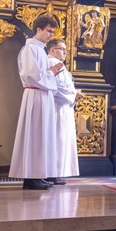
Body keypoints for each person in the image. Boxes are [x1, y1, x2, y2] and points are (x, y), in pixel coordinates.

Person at [9, 15, 65, 190]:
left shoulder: (40, 49)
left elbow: (40, 73)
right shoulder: (30, 49)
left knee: (42, 136)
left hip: (43, 95)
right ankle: (31, 177)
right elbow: (30, 75)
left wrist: (50, 73)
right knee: (35, 135)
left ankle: (38, 174)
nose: (50, 35)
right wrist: (50, 74)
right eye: (48, 31)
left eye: (52, 32)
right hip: (35, 96)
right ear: (38, 29)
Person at [47, 39, 83, 180]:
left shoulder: (60, 65)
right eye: (62, 49)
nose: (65, 52)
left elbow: (66, 85)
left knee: (62, 141)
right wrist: (74, 94)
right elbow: (56, 86)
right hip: (57, 107)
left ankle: (57, 173)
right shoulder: (51, 63)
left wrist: (75, 92)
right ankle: (52, 173)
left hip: (64, 107)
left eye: (65, 49)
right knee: (57, 140)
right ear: (52, 50)